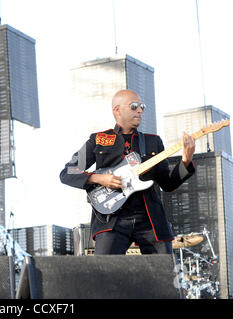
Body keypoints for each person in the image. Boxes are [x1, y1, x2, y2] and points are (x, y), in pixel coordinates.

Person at [60, 89, 196, 255]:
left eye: (142, 107)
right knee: (104, 273)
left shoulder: (153, 141)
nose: (139, 111)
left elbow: (168, 183)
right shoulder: (98, 139)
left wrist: (186, 161)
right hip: (112, 219)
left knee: (165, 275)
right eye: (134, 106)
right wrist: (99, 178)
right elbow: (68, 172)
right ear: (117, 110)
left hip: (150, 220)